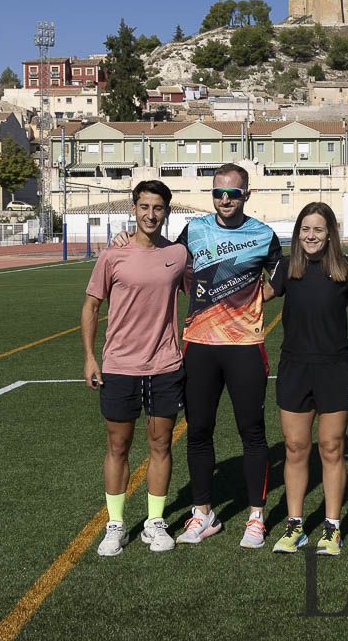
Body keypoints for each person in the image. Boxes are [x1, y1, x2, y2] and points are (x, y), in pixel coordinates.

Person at [112, 163, 282, 549]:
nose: (225, 199)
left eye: (233, 193)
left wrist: (253, 301)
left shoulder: (263, 234)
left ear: (246, 195)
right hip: (200, 347)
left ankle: (256, 517)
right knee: (198, 432)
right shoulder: (194, 231)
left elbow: (283, 277)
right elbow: (164, 258)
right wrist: (127, 238)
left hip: (244, 347)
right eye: (218, 193)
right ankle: (203, 514)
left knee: (252, 433)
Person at [82, 180, 189, 556]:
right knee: (118, 445)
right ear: (134, 209)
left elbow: (202, 294)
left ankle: (154, 523)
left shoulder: (178, 255)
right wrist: (90, 357)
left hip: (165, 366)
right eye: (144, 206)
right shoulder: (113, 255)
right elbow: (92, 307)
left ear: (167, 212)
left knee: (161, 444)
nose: (150, 214)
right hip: (120, 367)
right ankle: (115, 525)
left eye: (158, 207)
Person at [263, 202, 348, 556]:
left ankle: (332, 527)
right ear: (298, 234)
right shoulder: (286, 267)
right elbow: (258, 296)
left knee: (331, 447)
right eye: (305, 229)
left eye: (318, 230)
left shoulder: (345, 268)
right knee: (296, 449)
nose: (311, 236)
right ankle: (295, 525)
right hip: (295, 369)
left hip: (334, 368)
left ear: (330, 235)